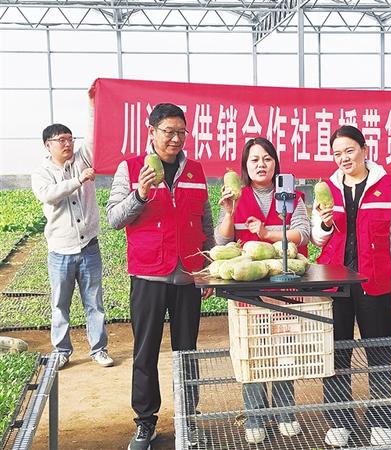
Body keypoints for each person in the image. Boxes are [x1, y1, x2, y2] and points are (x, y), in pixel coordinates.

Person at [106, 103, 214, 450]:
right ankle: (145, 422)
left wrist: (209, 267)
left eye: (181, 132)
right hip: (148, 275)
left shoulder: (195, 171)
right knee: (145, 351)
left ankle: (187, 418)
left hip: (187, 276)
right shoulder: (131, 168)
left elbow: (206, 221)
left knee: (187, 352)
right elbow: (114, 218)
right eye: (169, 131)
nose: (176, 139)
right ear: (151, 131)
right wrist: (139, 194)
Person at [311, 125, 391, 447]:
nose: (343, 158)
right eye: (337, 153)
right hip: (336, 284)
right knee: (336, 352)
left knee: (379, 351)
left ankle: (380, 420)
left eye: (349, 151)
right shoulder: (327, 187)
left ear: (364, 150)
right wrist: (325, 223)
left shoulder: (386, 184)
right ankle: (339, 420)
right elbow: (317, 238)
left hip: (374, 281)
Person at [215, 137, 311, 444]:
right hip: (248, 288)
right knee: (252, 351)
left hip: (285, 285)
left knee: (283, 349)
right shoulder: (235, 195)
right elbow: (221, 241)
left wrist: (268, 233)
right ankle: (255, 415)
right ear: (245, 166)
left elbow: (304, 232)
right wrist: (229, 213)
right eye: (254, 159)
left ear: (275, 163)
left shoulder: (291, 194)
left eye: (267, 159)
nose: (261, 165)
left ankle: (285, 413)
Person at [31, 90, 113, 371]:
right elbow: (49, 195)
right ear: (48, 145)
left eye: (69, 139)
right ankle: (62, 350)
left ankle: (99, 349)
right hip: (60, 251)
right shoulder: (41, 173)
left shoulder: (82, 158)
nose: (67, 143)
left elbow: (93, 136)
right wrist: (78, 180)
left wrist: (93, 105)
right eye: (61, 140)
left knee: (94, 302)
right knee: (60, 304)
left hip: (89, 246)